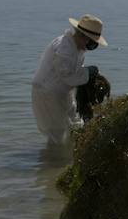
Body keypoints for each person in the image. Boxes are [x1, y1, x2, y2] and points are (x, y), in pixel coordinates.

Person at [31, 14, 105, 145]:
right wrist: (89, 71)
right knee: (58, 134)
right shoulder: (64, 48)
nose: (89, 48)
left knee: (76, 124)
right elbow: (68, 77)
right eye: (91, 44)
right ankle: (55, 161)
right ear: (83, 37)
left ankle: (67, 158)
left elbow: (74, 75)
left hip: (62, 92)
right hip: (47, 93)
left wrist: (87, 73)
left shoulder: (77, 47)